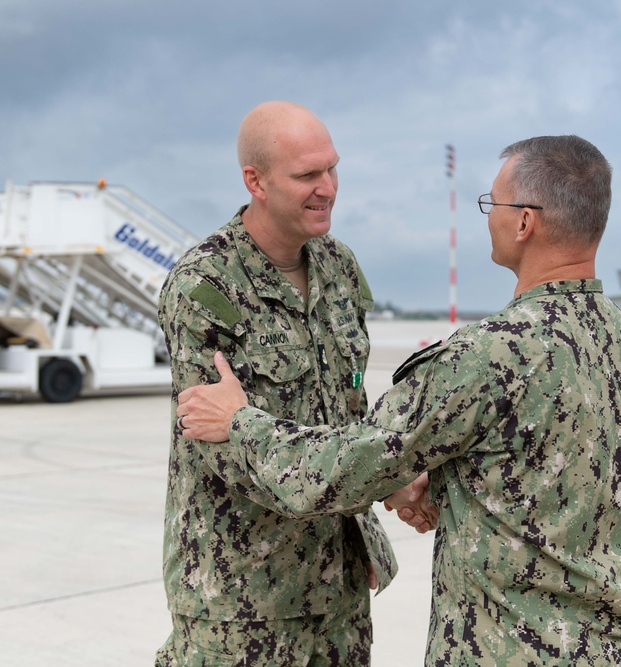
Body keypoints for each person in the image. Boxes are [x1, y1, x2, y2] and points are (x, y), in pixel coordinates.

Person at [176, 135, 621, 665]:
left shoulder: (491, 356)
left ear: (524, 223)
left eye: (493, 203)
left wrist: (240, 422)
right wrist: (431, 478)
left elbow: (345, 465)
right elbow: (546, 481)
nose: (488, 217)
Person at [155, 101, 430, 665]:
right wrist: (371, 481)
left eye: (332, 169)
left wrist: (388, 482)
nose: (327, 187)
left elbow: (351, 412)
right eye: (307, 175)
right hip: (241, 599)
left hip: (341, 585)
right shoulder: (205, 287)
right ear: (255, 181)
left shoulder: (339, 268)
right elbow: (222, 450)